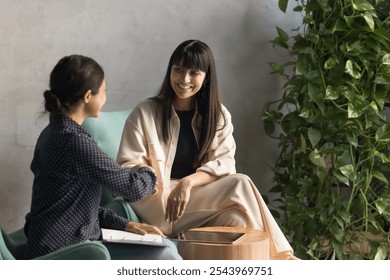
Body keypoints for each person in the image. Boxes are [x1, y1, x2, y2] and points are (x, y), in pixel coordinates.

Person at [117, 40, 294, 259]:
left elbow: (225, 162)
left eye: (194, 72)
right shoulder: (145, 113)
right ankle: (283, 259)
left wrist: (188, 183)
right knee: (241, 183)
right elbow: (127, 164)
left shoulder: (217, 115)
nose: (184, 79)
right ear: (170, 71)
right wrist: (153, 177)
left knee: (238, 221)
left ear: (206, 76)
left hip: (194, 201)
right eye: (179, 70)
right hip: (157, 203)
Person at [24, 54, 181, 260]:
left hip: (49, 241)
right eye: (104, 91)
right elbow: (131, 188)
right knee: (167, 253)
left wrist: (125, 224)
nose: (105, 97)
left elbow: (72, 207)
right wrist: (147, 170)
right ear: (88, 96)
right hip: (64, 249)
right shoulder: (74, 141)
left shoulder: (52, 132)